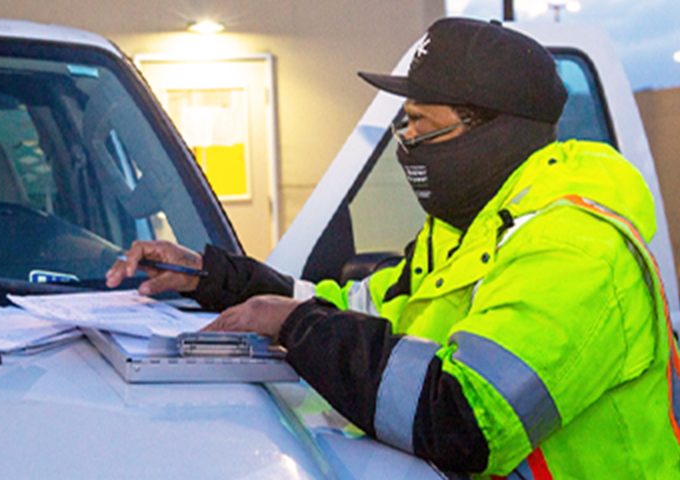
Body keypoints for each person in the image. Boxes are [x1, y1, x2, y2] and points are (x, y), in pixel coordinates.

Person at [106, 18, 680, 478]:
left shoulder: (578, 248)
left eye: (419, 124)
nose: (405, 144)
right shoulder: (464, 232)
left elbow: (467, 421)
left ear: (493, 130)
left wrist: (296, 326)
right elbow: (356, 308)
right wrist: (219, 279)